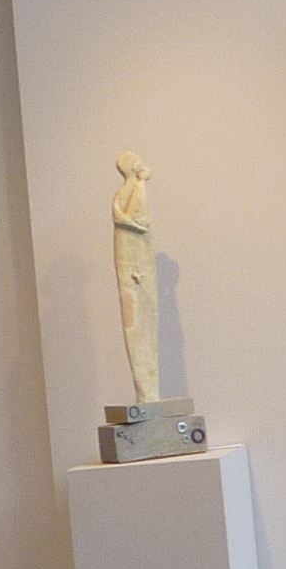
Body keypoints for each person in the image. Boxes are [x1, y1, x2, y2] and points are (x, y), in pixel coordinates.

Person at [112, 152, 159, 404]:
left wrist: (140, 227)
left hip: (140, 252)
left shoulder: (138, 188)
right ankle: (146, 392)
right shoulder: (128, 189)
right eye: (137, 164)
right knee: (137, 317)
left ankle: (150, 392)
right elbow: (118, 215)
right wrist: (137, 226)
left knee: (147, 314)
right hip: (130, 251)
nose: (142, 167)